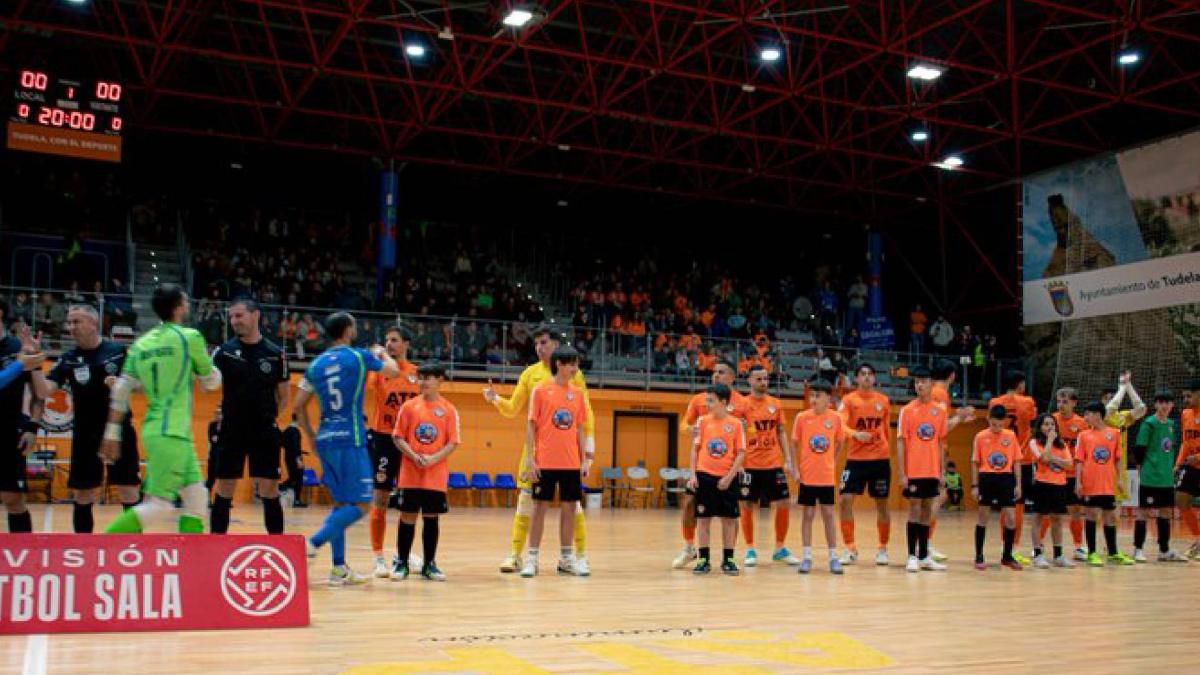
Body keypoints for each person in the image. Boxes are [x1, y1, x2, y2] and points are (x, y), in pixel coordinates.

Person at [102, 284, 222, 534]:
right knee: (159, 505)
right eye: (185, 301)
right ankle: (103, 546)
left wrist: (111, 433)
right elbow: (211, 382)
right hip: (172, 433)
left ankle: (189, 556)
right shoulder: (189, 337)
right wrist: (211, 374)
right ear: (178, 307)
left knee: (197, 497)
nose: (188, 305)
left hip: (158, 430)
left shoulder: (141, 344)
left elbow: (121, 389)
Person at [293, 312, 400, 585]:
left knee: (341, 503)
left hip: (325, 439)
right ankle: (312, 543)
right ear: (348, 330)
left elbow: (298, 405)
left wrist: (310, 436)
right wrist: (381, 353)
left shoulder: (315, 364)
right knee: (363, 504)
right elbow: (393, 371)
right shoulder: (358, 356)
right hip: (350, 438)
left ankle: (338, 568)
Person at [483, 326, 595, 576]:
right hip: (539, 454)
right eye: (536, 343)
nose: (539, 348)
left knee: (573, 507)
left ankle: (578, 556)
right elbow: (514, 410)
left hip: (569, 456)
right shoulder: (530, 376)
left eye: (543, 342)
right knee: (528, 504)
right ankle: (517, 556)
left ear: (556, 345)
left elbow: (584, 416)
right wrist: (495, 399)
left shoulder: (575, 377)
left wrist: (588, 453)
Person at [29, 305, 141, 532]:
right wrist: (35, 363)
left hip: (117, 431)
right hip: (84, 434)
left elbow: (141, 386)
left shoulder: (118, 351)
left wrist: (123, 385)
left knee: (128, 491)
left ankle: (135, 545)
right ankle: (84, 547)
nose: (71, 327)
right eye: (69, 322)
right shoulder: (68, 359)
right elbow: (43, 391)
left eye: (76, 322)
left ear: (93, 323)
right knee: (82, 495)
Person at [209, 298, 290, 535]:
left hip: (264, 430)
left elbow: (284, 396)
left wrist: (267, 416)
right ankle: (216, 545)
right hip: (231, 430)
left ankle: (277, 546)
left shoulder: (275, 354)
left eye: (239, 315)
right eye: (232, 317)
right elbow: (209, 383)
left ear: (255, 315)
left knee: (269, 489)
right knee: (224, 487)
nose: (234, 321)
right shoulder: (224, 352)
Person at [519, 346, 590, 578]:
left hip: (571, 463)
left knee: (570, 508)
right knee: (539, 507)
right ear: (559, 364)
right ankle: (532, 558)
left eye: (576, 364)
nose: (575, 368)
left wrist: (584, 459)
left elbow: (579, 428)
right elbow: (531, 425)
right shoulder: (540, 390)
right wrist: (530, 458)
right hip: (545, 461)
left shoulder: (577, 393)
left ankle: (566, 559)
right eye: (572, 364)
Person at [672, 359, 746, 569]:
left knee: (730, 517)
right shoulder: (700, 407)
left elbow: (745, 441)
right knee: (694, 509)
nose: (716, 375)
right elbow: (684, 426)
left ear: (731, 377)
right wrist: (691, 430)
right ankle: (692, 549)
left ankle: (729, 557)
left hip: (729, 470)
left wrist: (733, 472)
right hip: (703, 471)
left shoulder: (741, 406)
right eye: (714, 371)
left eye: (721, 372)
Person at [390, 364, 461, 582]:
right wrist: (414, 456)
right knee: (407, 516)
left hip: (435, 476)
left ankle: (429, 564)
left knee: (431, 518)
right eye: (420, 378)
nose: (423, 382)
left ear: (440, 380)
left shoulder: (449, 410)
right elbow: (397, 437)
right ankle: (402, 562)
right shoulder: (409, 407)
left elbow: (452, 442)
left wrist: (433, 459)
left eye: (428, 378)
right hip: (410, 474)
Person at [367, 325, 421, 577]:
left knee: (409, 500)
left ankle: (403, 554)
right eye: (387, 340)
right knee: (380, 498)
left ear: (407, 344)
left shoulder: (417, 374)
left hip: (409, 442)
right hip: (384, 439)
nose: (390, 344)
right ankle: (378, 557)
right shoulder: (380, 371)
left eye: (395, 340)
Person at [738, 364, 797, 567]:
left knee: (784, 502)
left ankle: (779, 548)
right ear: (749, 380)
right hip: (749, 464)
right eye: (759, 379)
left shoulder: (776, 404)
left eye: (765, 378)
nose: (763, 382)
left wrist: (788, 459)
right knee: (747, 505)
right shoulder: (741, 405)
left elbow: (781, 432)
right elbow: (734, 433)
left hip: (773, 463)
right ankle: (750, 549)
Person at [687, 383, 747, 575]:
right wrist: (693, 475)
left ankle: (728, 560)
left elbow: (741, 453)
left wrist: (729, 477)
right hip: (704, 476)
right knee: (703, 519)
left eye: (711, 400)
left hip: (727, 478)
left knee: (728, 520)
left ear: (723, 402)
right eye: (707, 400)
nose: (707, 404)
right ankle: (703, 559)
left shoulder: (736, 424)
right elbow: (695, 450)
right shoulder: (702, 421)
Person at [837, 363, 892, 566]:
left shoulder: (883, 401)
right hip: (856, 459)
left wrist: (887, 452)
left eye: (870, 374)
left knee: (882, 504)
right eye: (862, 374)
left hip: (880, 459)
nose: (867, 377)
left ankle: (882, 548)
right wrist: (855, 434)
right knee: (844, 500)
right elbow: (840, 423)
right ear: (857, 379)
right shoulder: (848, 400)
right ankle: (850, 548)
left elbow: (886, 430)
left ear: (874, 378)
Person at [896, 366, 949, 572]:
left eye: (923, 381)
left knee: (927, 510)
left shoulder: (940, 411)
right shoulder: (907, 411)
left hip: (932, 470)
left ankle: (924, 556)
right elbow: (901, 442)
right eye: (917, 382)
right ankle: (911, 556)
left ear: (931, 384)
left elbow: (941, 443)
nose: (920, 385)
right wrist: (902, 473)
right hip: (914, 470)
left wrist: (941, 471)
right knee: (914, 509)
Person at [790, 380, 845, 574]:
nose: (814, 399)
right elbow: (793, 444)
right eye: (812, 395)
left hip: (826, 477)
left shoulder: (836, 418)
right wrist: (795, 469)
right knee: (808, 515)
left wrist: (832, 461)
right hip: (807, 476)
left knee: (829, 514)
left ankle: (833, 557)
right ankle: (806, 557)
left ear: (828, 398)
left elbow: (840, 442)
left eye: (818, 396)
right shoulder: (802, 417)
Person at [1075, 402, 1135, 566]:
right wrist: (1078, 482)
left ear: (1098, 415)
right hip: (1090, 482)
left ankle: (1113, 552)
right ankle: (1092, 553)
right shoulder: (1083, 435)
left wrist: (1120, 479)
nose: (1085, 417)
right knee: (1091, 515)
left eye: (1088, 414)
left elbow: (1117, 459)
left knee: (1110, 517)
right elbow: (1079, 460)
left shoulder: (1114, 433)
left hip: (1108, 483)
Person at [927, 359, 975, 560]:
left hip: (934, 450)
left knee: (936, 497)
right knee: (936, 497)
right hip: (934, 451)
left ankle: (924, 543)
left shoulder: (935, 392)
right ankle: (924, 544)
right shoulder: (940, 393)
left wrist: (958, 417)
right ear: (952, 375)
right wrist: (960, 418)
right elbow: (941, 428)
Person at [988, 370, 1038, 564]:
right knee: (1018, 504)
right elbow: (1032, 422)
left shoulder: (995, 402)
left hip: (1000, 459)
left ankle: (1005, 545)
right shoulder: (1027, 402)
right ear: (1020, 385)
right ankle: (1013, 547)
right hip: (1022, 459)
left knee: (1004, 504)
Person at [1131, 391, 1187, 562]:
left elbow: (1169, 449)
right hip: (1150, 476)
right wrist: (1142, 470)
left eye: (1167, 403)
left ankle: (1164, 550)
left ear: (1172, 405)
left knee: (1166, 512)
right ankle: (1138, 549)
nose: (1164, 406)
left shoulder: (1171, 424)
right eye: (1161, 402)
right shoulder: (1149, 424)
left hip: (1166, 478)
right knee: (1143, 512)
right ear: (1155, 405)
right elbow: (1139, 450)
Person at [1, 325, 46, 533]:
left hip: (10, 434)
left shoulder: (18, 347)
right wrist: (20, 363)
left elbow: (39, 394)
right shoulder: (20, 357)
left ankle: (23, 551)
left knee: (13, 499)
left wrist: (32, 426)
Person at [971, 405, 1023, 571]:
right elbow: (975, 462)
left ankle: (1007, 556)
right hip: (986, 477)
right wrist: (974, 485)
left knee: (1011, 517)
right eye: (994, 424)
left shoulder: (1011, 436)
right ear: (988, 419)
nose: (997, 428)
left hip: (1006, 479)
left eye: (1000, 425)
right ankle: (979, 555)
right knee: (983, 516)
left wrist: (1018, 484)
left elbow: (1016, 461)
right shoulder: (980, 436)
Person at [1027, 414, 1075, 568]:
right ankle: (1038, 554)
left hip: (1059, 484)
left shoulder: (1062, 444)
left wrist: (1053, 458)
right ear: (1040, 427)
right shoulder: (1034, 442)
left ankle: (1058, 555)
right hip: (1042, 484)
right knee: (1038, 519)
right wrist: (1049, 442)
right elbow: (1044, 459)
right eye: (1046, 424)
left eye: (1052, 424)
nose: (1049, 427)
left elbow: (1069, 465)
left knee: (1057, 520)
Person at [1051, 387, 1087, 559]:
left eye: (1065, 402)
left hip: (1072, 475)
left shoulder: (1082, 423)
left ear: (1074, 403)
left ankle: (1078, 547)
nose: (1061, 405)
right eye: (1058, 401)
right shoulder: (1051, 420)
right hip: (1054, 474)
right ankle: (1039, 548)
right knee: (1049, 512)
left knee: (1075, 511)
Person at [1101, 372, 1147, 510]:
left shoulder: (1122, 417)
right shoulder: (1099, 416)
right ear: (1102, 400)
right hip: (1101, 466)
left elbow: (1141, 409)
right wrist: (1122, 387)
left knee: (1116, 510)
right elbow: (1110, 409)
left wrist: (1128, 386)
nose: (1112, 401)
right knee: (1098, 511)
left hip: (1118, 469)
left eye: (1113, 398)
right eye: (1107, 398)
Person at [1174, 379, 1200, 559]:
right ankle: (1198, 538)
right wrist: (1178, 463)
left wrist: (1197, 457)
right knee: (1181, 500)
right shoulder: (1186, 414)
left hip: (1196, 461)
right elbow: (1185, 442)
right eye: (1184, 396)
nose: (1186, 400)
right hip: (1191, 466)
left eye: (1189, 396)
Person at [281, 415, 306, 507]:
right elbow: (295, 446)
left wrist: (291, 450)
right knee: (297, 479)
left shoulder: (287, 430)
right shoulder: (295, 431)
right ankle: (296, 500)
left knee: (293, 478)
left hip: (288, 457)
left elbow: (282, 443)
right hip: (295, 458)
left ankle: (295, 500)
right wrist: (298, 459)